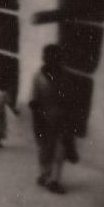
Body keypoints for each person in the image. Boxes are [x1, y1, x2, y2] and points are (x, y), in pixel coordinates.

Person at [29, 44, 78, 194]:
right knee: (44, 148)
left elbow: (70, 99)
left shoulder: (65, 76)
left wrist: (69, 119)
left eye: (55, 57)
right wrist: (37, 119)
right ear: (45, 59)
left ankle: (54, 180)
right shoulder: (38, 77)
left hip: (61, 117)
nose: (52, 61)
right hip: (43, 117)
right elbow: (34, 100)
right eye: (48, 57)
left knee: (60, 149)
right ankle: (45, 174)